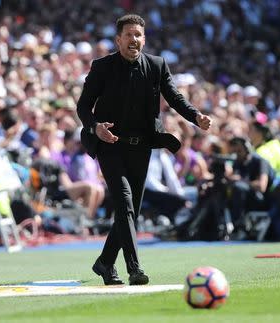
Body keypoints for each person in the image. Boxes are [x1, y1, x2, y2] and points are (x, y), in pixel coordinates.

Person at [76, 14, 211, 286]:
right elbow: (83, 107)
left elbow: (174, 97)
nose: (133, 40)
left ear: (144, 38)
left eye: (138, 35)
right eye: (128, 35)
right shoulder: (102, 67)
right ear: (118, 40)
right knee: (124, 202)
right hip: (109, 144)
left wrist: (196, 117)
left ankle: (104, 263)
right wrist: (95, 127)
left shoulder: (157, 65)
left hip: (141, 147)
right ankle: (134, 268)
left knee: (130, 212)